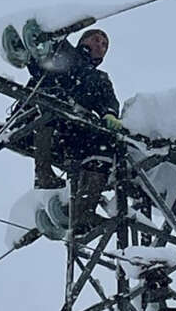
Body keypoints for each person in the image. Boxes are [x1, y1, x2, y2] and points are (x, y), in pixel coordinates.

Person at [27, 28, 122, 235]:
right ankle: (42, 172)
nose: (100, 45)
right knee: (50, 109)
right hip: (45, 114)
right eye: (96, 40)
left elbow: (109, 101)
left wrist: (109, 113)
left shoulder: (99, 78)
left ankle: (83, 207)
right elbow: (35, 61)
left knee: (105, 145)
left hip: (72, 130)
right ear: (83, 40)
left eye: (104, 45)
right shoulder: (64, 52)